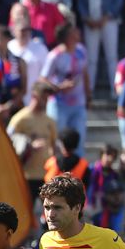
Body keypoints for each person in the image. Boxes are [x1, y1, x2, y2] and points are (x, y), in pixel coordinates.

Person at [41, 23, 90, 156]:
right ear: (68, 37)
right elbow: (43, 79)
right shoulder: (55, 56)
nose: (78, 33)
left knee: (79, 142)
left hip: (78, 104)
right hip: (58, 105)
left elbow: (85, 73)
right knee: (58, 142)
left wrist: (88, 95)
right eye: (74, 31)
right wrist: (60, 87)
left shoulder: (81, 50)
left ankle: (77, 175)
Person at [8, 82, 59, 199]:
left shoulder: (49, 121)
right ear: (35, 96)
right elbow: (8, 141)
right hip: (26, 175)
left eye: (47, 98)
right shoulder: (20, 119)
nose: (46, 102)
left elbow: (54, 145)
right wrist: (29, 146)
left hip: (46, 176)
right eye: (44, 98)